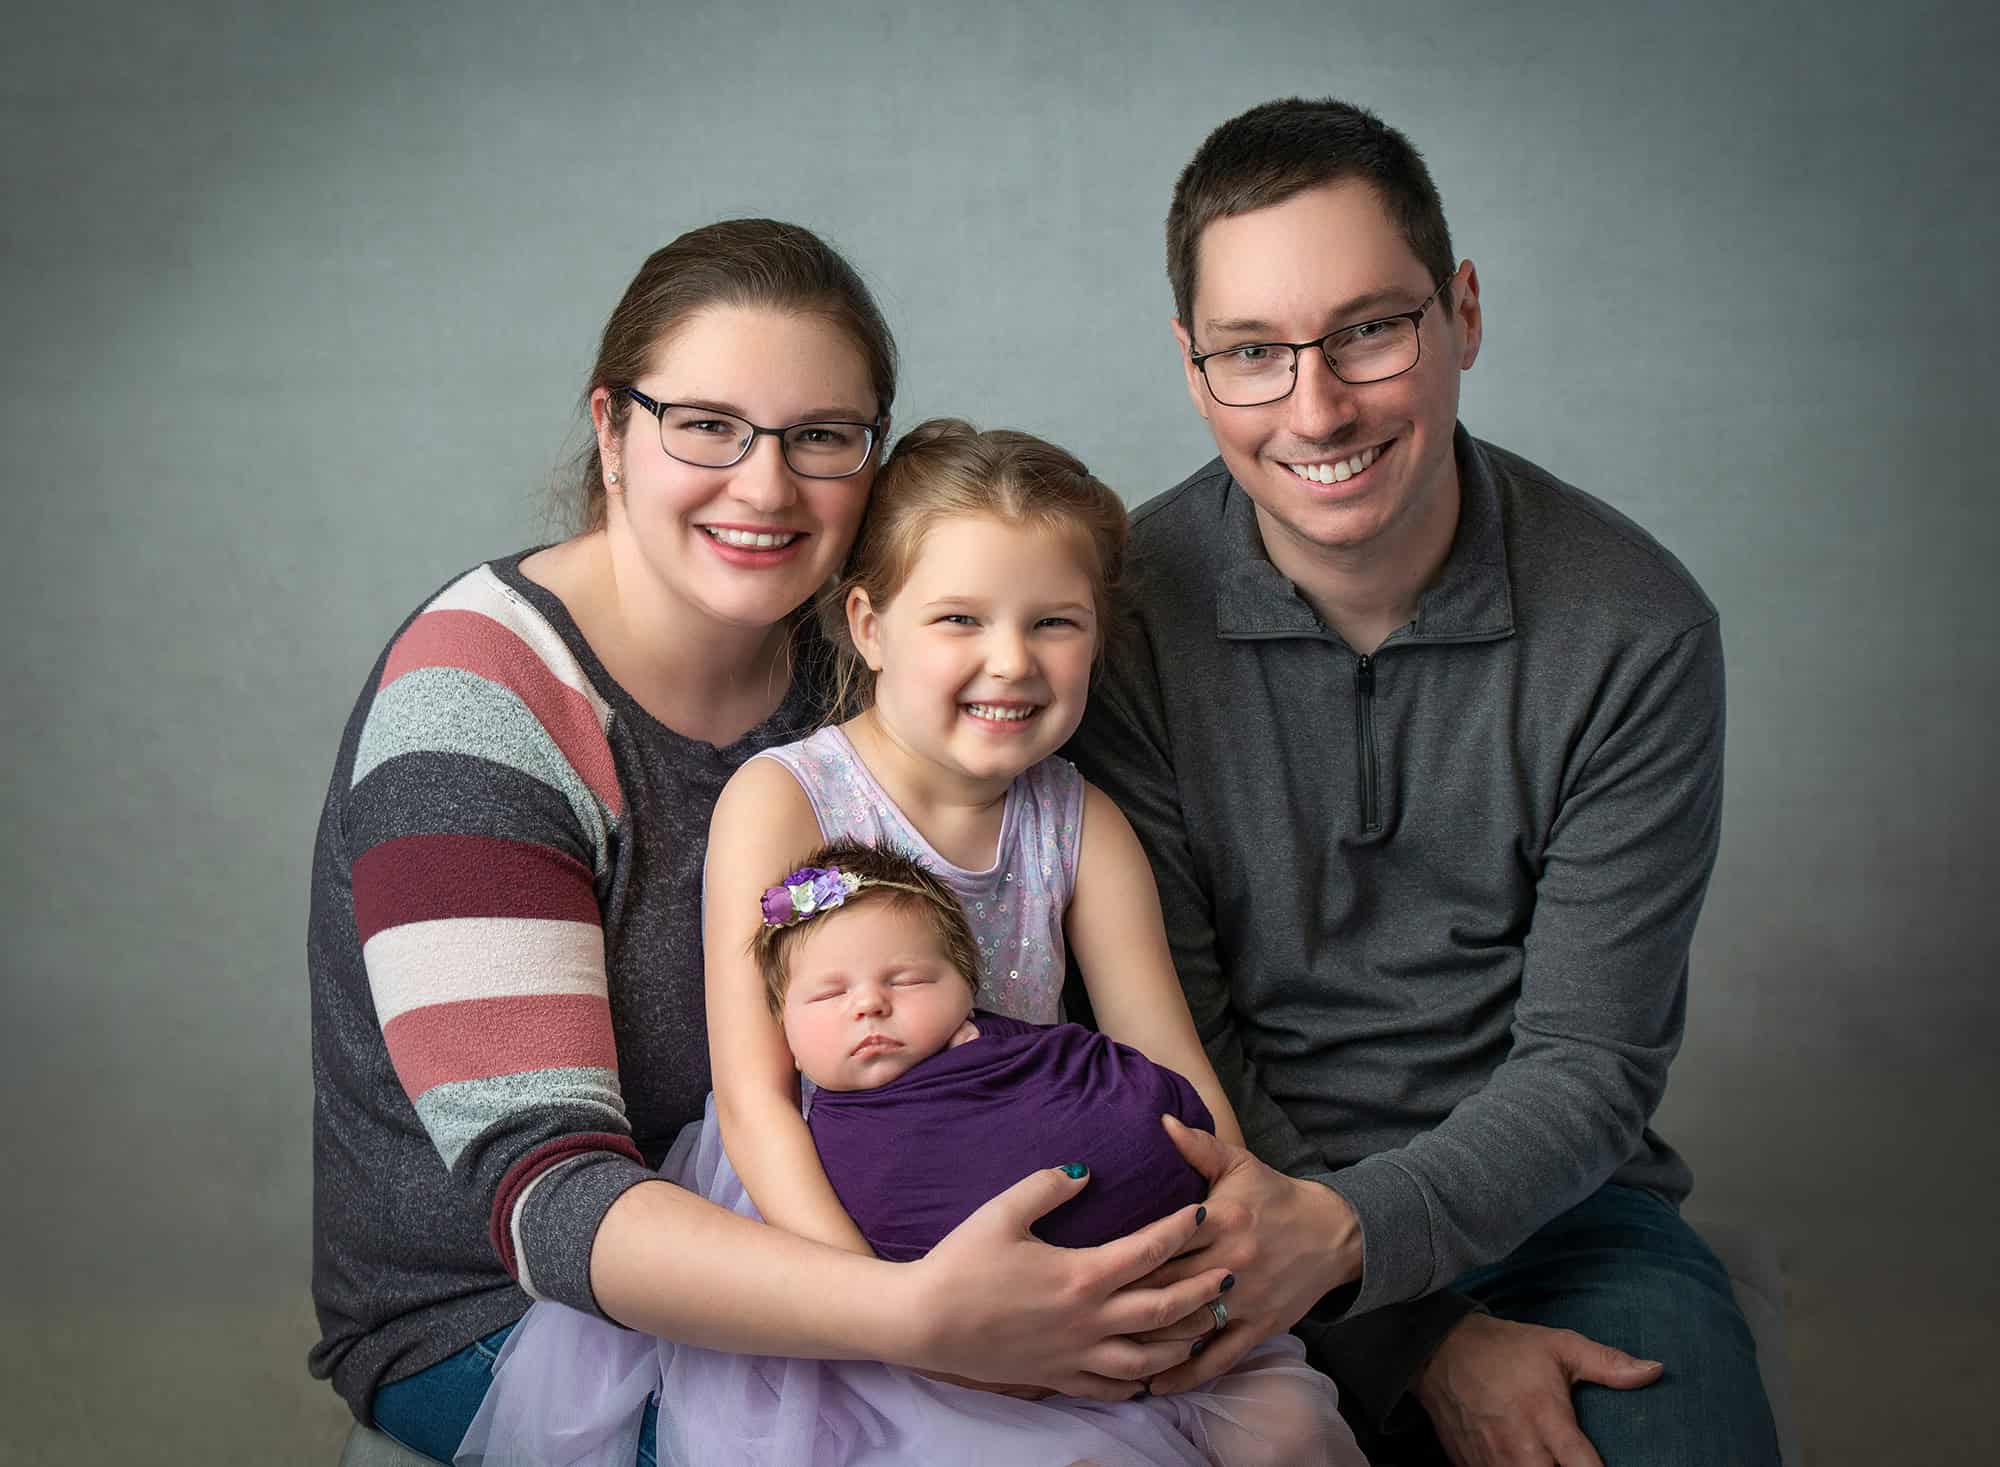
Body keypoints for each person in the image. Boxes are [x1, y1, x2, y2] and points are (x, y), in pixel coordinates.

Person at [306, 222, 1228, 1464]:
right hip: (512, 1310)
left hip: (893, 1241)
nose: (765, 486)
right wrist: (915, 1320)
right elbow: (550, 1206)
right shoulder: (476, 711)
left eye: (820, 438)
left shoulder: (880, 675)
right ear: (611, 430)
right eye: (706, 425)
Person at [1064, 98, 1785, 1466]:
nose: (1317, 406)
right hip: (1218, 1196)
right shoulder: (1117, 621)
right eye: (1253, 354)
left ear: (1459, 310)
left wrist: (1373, 1246)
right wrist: (1409, 1335)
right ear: (1190, 362)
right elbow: (1171, 1033)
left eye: (1370, 329)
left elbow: (1591, 1061)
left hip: (1554, 1215)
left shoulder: (1634, 627)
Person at [464, 837, 1360, 1465]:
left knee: (1291, 1432)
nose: (869, 1006)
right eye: (829, 993)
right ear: (779, 1024)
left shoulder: (1031, 1051)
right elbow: (872, 1292)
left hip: (1180, 1307)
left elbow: (1151, 1084)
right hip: (942, 1358)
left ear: (967, 984)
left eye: (905, 979)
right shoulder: (811, 1153)